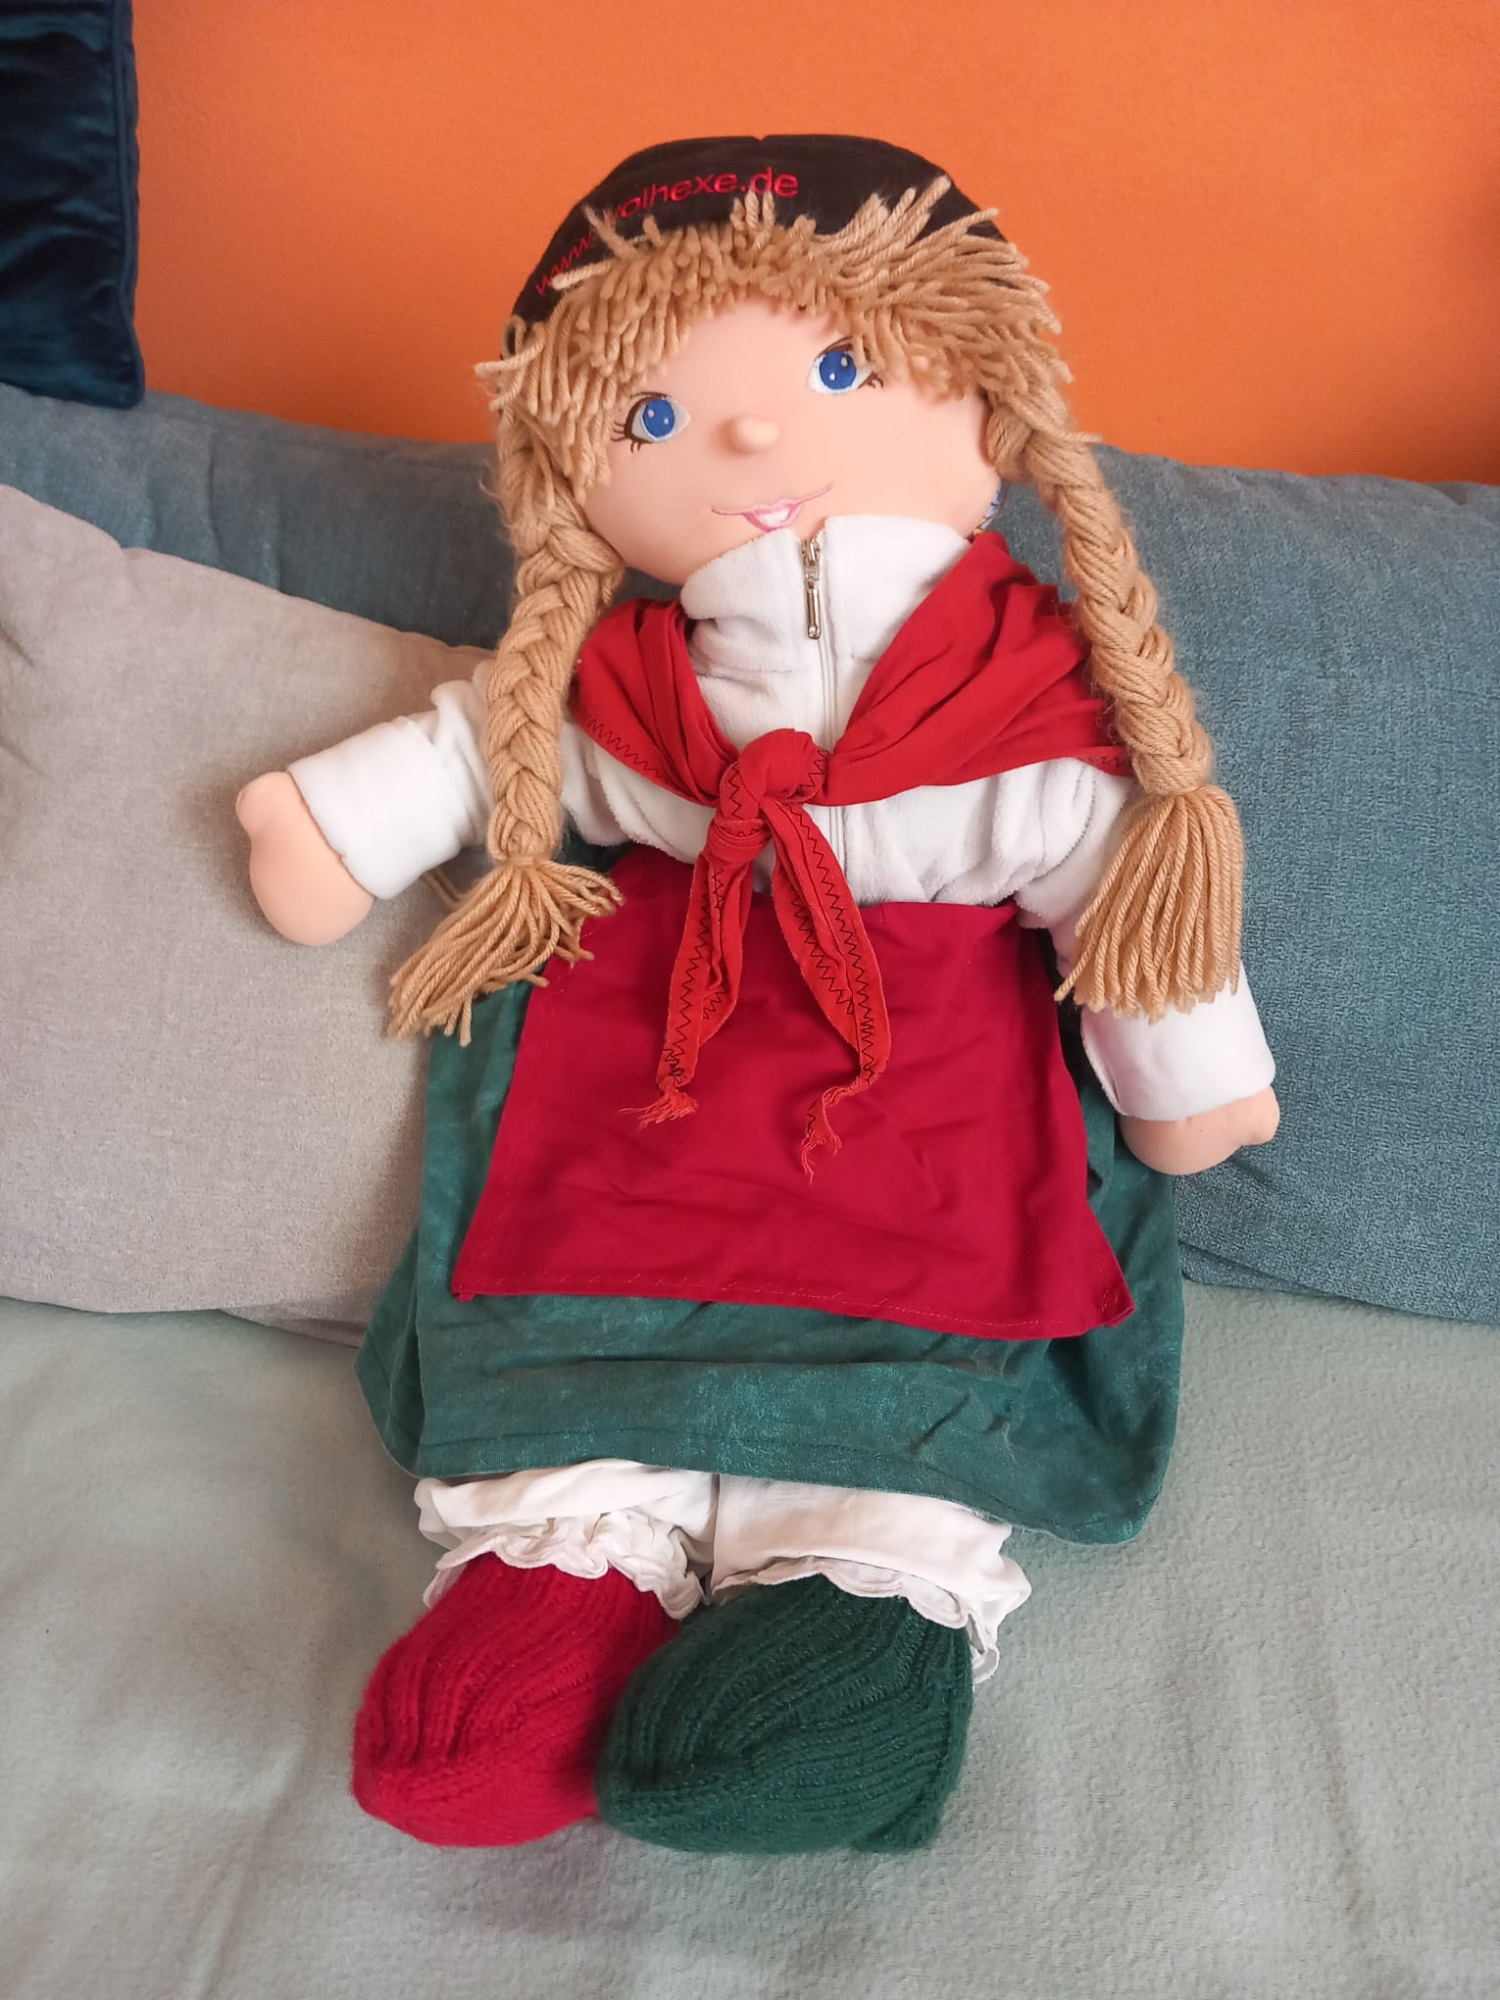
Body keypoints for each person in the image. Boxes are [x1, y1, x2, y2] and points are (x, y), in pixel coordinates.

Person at [237, 134, 1278, 1855]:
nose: (743, 439)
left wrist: (1189, 1076)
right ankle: (567, 1570)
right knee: (588, 1324)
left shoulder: (1027, 699)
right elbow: (498, 746)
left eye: (840, 371)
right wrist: (334, 825)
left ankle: (848, 1612)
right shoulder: (629, 684)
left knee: (903, 1380)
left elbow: (1123, 893)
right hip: (654, 1080)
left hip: (927, 1109)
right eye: (652, 415)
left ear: (984, 399)